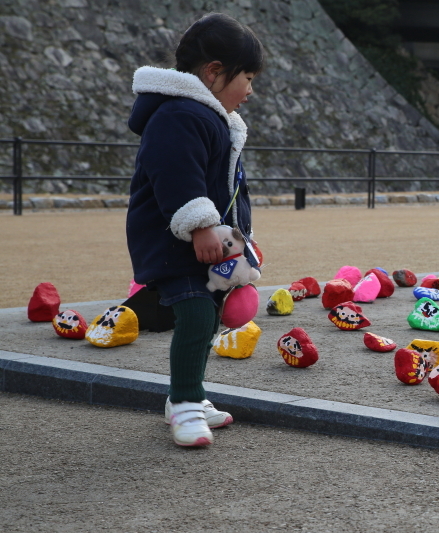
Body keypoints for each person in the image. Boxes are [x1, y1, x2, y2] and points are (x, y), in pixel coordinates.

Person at [126, 13, 265, 447]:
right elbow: (177, 177)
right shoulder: (178, 115)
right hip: (175, 238)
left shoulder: (208, 116)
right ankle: (184, 403)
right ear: (214, 72)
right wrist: (203, 226)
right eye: (247, 77)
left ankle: (188, 395)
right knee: (196, 312)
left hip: (204, 242)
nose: (249, 90)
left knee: (209, 316)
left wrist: (239, 237)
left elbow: (226, 189)